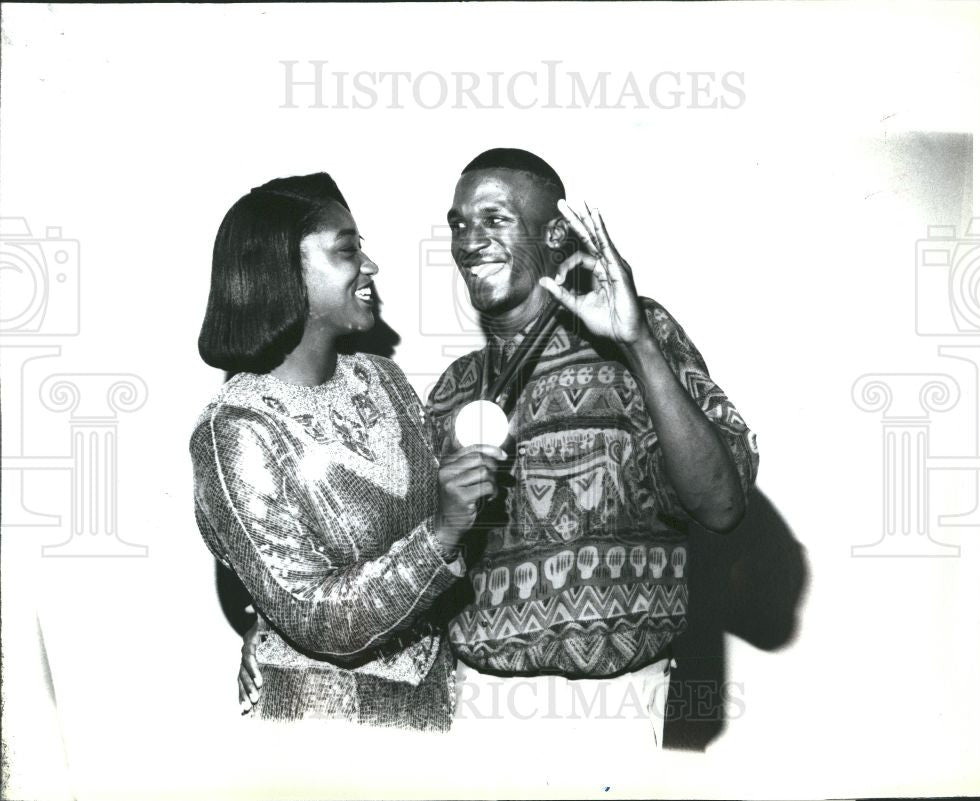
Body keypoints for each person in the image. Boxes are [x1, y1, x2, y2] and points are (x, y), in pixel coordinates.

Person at [241, 151, 759, 746]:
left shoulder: (640, 337)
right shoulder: (451, 390)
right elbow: (389, 550)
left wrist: (637, 341)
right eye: (459, 224)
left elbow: (722, 506)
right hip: (471, 707)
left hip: (615, 705)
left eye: (495, 219)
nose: (469, 241)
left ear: (556, 233)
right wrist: (276, 632)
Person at [191, 172, 503, 731]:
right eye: (348, 249)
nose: (370, 266)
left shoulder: (383, 379)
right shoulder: (234, 431)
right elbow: (316, 617)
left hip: (437, 709)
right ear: (284, 271)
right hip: (323, 728)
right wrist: (443, 531)